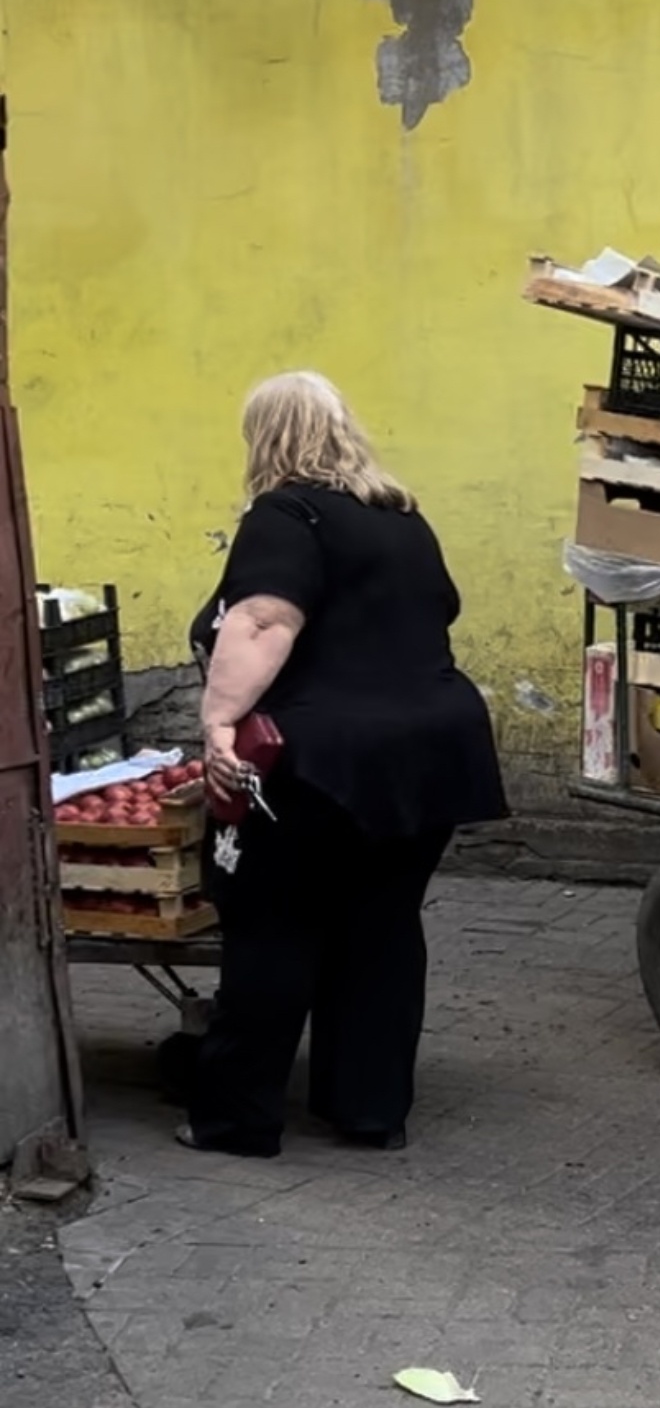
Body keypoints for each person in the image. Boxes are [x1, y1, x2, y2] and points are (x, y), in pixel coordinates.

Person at [179, 373, 507, 1158]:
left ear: (267, 438)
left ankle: (238, 1121)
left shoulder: (285, 513)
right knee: (383, 928)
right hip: (432, 753)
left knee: (274, 928)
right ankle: (369, 1111)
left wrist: (219, 721)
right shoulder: (402, 518)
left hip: (325, 760)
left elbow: (264, 619)